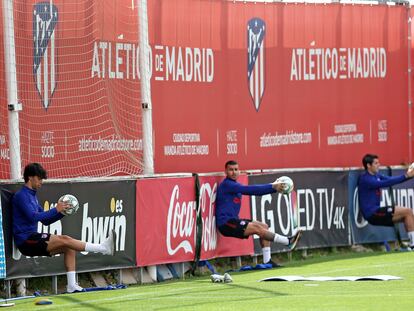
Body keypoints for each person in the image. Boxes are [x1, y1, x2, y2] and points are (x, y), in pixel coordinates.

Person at [12, 163, 116, 293]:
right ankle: (102, 248)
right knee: (65, 239)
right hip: (26, 241)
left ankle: (72, 286)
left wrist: (62, 213)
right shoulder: (21, 196)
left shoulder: (32, 195)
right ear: (30, 177)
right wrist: (56, 208)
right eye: (39, 178)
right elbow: (34, 217)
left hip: (32, 238)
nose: (41, 182)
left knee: (69, 247)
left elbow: (46, 221)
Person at [215, 160, 302, 267]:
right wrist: (272, 187)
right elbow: (250, 190)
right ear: (226, 171)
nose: (234, 172)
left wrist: (273, 187)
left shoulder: (234, 185)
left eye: (236, 170)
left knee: (263, 226)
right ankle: (287, 241)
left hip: (233, 220)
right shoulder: (228, 185)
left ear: (239, 171)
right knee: (257, 229)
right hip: (226, 224)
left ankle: (267, 260)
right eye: (231, 170)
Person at [358, 154, 414, 249]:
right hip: (373, 214)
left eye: (378, 163)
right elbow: (385, 183)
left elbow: (389, 179)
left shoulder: (376, 175)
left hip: (376, 212)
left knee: (408, 215)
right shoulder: (365, 179)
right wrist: (406, 176)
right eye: (376, 163)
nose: (378, 165)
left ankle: (410, 244)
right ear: (368, 165)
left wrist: (408, 176)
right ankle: (412, 245)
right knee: (407, 212)